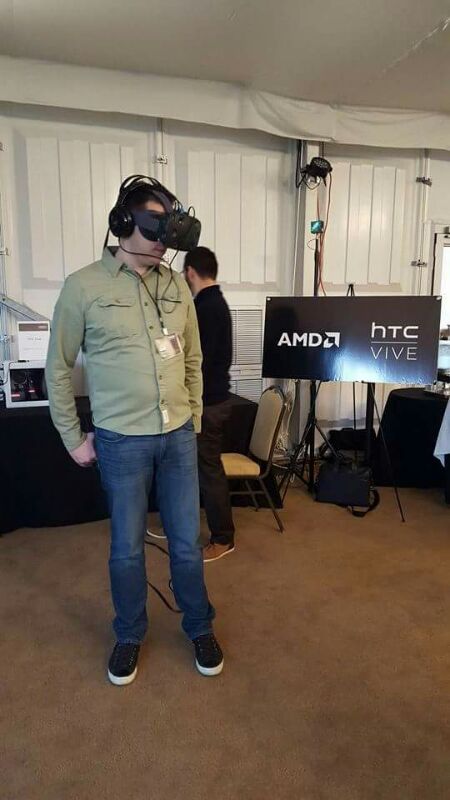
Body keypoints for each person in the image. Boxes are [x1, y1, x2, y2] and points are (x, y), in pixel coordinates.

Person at [45, 176, 223, 686]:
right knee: (126, 548)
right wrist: (72, 437)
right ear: (124, 223)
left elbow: (192, 358)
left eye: (171, 229)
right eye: (155, 227)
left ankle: (199, 625)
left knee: (186, 543)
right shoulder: (83, 287)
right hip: (122, 441)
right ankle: (128, 634)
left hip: (178, 435)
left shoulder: (175, 285)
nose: (165, 240)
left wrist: (193, 416)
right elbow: (58, 368)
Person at [183, 247, 235, 563]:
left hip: (209, 404)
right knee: (199, 469)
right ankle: (185, 527)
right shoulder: (212, 304)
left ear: (190, 272)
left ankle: (223, 538)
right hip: (210, 400)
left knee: (209, 471)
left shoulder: (207, 308)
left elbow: (197, 361)